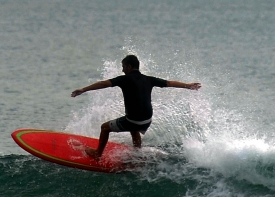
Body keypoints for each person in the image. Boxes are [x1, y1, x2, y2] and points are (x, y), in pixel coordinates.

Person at [71, 55, 201, 159]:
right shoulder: (148, 79)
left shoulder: (124, 79)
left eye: (123, 67)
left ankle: (97, 154)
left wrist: (83, 89)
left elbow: (104, 83)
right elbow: (169, 83)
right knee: (133, 127)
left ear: (128, 66)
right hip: (147, 120)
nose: (122, 70)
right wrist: (187, 85)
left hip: (134, 120)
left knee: (104, 128)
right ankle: (137, 152)